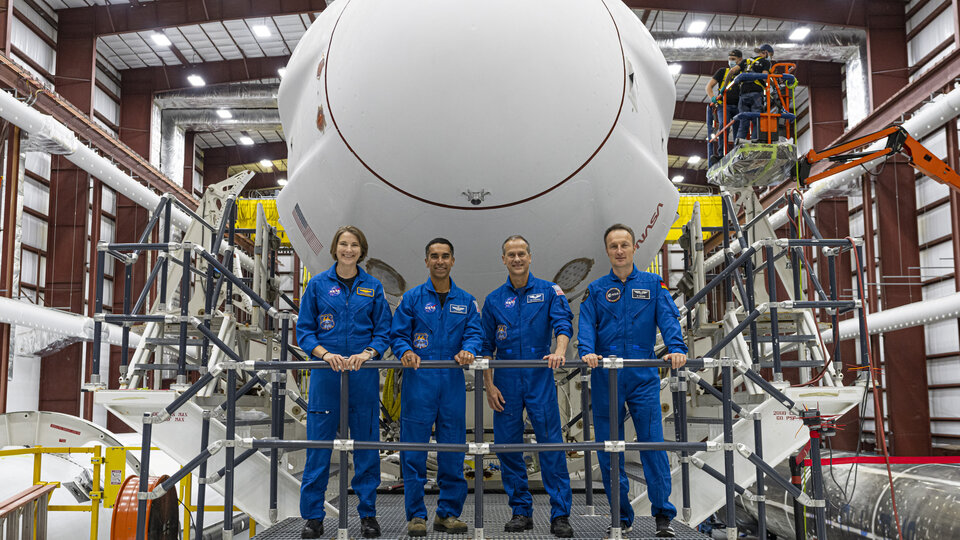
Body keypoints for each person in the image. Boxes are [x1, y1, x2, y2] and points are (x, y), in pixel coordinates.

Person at [579, 224, 688, 538]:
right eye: (613, 246)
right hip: (605, 375)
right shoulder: (597, 289)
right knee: (609, 448)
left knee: (652, 445)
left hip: (642, 373)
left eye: (624, 244)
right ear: (608, 251)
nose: (619, 250)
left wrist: (677, 349)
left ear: (634, 247)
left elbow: (668, 319)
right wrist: (586, 351)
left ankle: (663, 517)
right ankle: (620, 516)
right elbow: (586, 324)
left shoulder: (654, 285)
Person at [296, 226, 392, 539]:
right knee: (318, 449)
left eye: (353, 245)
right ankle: (313, 517)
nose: (348, 250)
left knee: (365, 447)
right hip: (327, 377)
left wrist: (369, 353)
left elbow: (383, 331)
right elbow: (305, 331)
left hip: (362, 377)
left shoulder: (372, 287)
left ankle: (368, 515)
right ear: (335, 249)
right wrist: (324, 354)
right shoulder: (318, 285)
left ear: (361, 251)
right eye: (343, 244)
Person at [480, 235, 575, 538]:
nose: (517, 259)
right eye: (511, 254)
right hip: (505, 378)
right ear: (504, 260)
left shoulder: (549, 291)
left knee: (551, 445)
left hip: (539, 373)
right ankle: (521, 510)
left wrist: (560, 351)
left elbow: (563, 323)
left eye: (522, 253)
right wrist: (489, 385)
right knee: (508, 447)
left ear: (530, 257)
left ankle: (560, 514)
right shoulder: (494, 300)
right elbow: (485, 347)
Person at [390, 238, 483, 537]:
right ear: (426, 261)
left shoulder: (466, 301)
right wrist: (405, 350)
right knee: (413, 453)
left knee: (453, 451)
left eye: (445, 256)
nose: (440, 261)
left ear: (453, 261)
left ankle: (447, 514)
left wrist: (468, 349)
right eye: (434, 256)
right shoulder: (412, 299)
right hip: (420, 381)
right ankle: (416, 515)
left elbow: (474, 333)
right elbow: (398, 334)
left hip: (452, 383)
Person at [706, 49, 745, 162]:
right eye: (729, 59)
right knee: (724, 125)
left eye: (733, 59)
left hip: (739, 106)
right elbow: (709, 86)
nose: (731, 61)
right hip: (724, 105)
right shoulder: (723, 72)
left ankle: (738, 152)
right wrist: (713, 98)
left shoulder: (743, 74)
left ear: (740, 60)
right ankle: (721, 153)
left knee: (739, 128)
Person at [733, 44, 774, 143]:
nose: (770, 58)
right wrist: (774, 84)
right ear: (765, 53)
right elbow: (765, 76)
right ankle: (754, 142)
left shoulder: (746, 61)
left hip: (743, 94)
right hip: (756, 93)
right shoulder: (765, 62)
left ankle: (738, 143)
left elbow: (732, 71)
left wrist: (724, 87)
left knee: (743, 120)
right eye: (770, 55)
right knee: (756, 120)